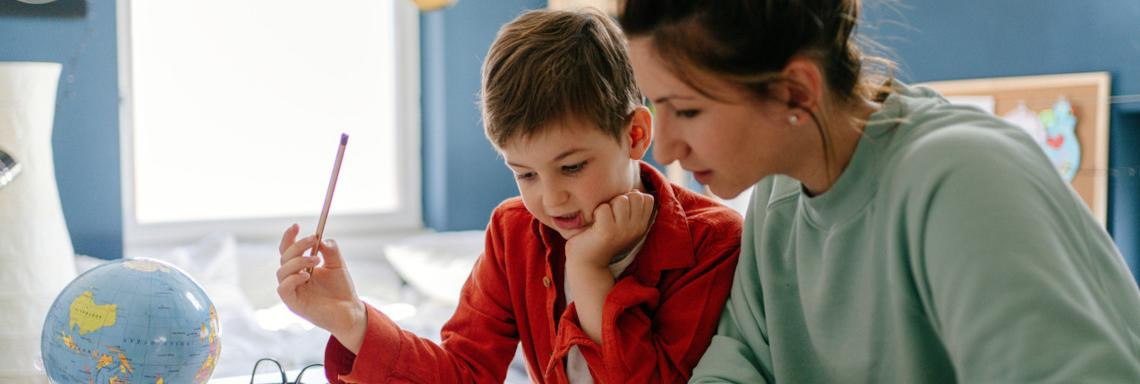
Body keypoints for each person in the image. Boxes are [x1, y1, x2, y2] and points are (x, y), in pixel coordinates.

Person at [617, 0, 1140, 382]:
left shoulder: (960, 179)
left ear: (795, 92)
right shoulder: (778, 198)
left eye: (688, 110)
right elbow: (739, 364)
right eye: (657, 106)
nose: (667, 146)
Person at [275, 8, 742, 383]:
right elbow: (464, 372)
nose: (552, 200)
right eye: (525, 174)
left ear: (635, 134)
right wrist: (352, 320)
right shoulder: (514, 231)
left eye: (572, 167)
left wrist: (589, 273)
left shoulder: (713, 242)